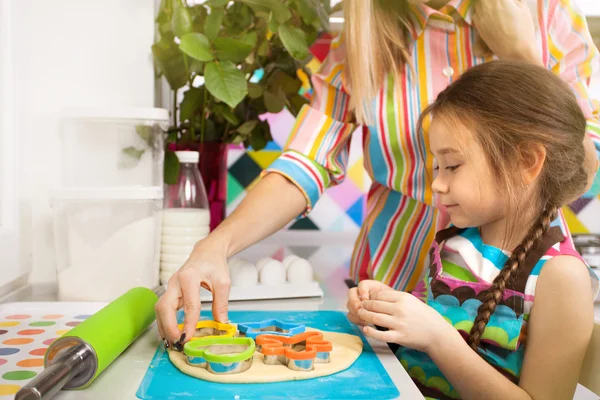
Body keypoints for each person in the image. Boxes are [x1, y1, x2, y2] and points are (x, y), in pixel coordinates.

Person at [155, 0, 600, 346]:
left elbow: (585, 169)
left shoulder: (546, 15)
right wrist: (214, 247)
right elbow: (306, 161)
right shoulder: (364, 36)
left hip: (513, 302)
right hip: (390, 294)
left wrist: (521, 54)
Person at [347, 60, 599, 400]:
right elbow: (422, 360)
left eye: (452, 166)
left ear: (526, 163)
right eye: (437, 166)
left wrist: (437, 337)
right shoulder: (454, 242)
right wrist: (386, 315)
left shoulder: (562, 277)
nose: (437, 184)